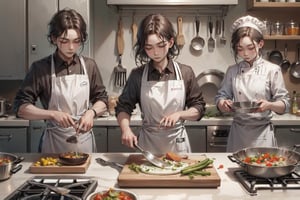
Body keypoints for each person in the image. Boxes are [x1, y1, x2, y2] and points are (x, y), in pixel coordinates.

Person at [14, 8, 108, 153]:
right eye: (65, 41)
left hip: (84, 143)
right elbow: (21, 108)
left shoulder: (89, 66)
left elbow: (102, 100)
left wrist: (91, 113)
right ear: (53, 38)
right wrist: (52, 114)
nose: (71, 47)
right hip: (53, 143)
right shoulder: (40, 68)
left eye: (76, 41)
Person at [115, 14, 206, 156]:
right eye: (149, 47)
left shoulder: (185, 72)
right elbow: (123, 107)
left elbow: (199, 108)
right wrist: (125, 129)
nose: (155, 52)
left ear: (170, 42)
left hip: (178, 145)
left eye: (161, 45)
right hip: (148, 146)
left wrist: (180, 114)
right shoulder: (137, 75)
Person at [215, 15, 290, 152]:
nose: (245, 53)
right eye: (240, 49)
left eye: (250, 47)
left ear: (260, 44)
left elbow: (284, 105)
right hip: (238, 132)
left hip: (263, 133)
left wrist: (270, 105)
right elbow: (221, 97)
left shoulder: (273, 70)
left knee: (263, 168)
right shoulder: (232, 71)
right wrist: (223, 104)